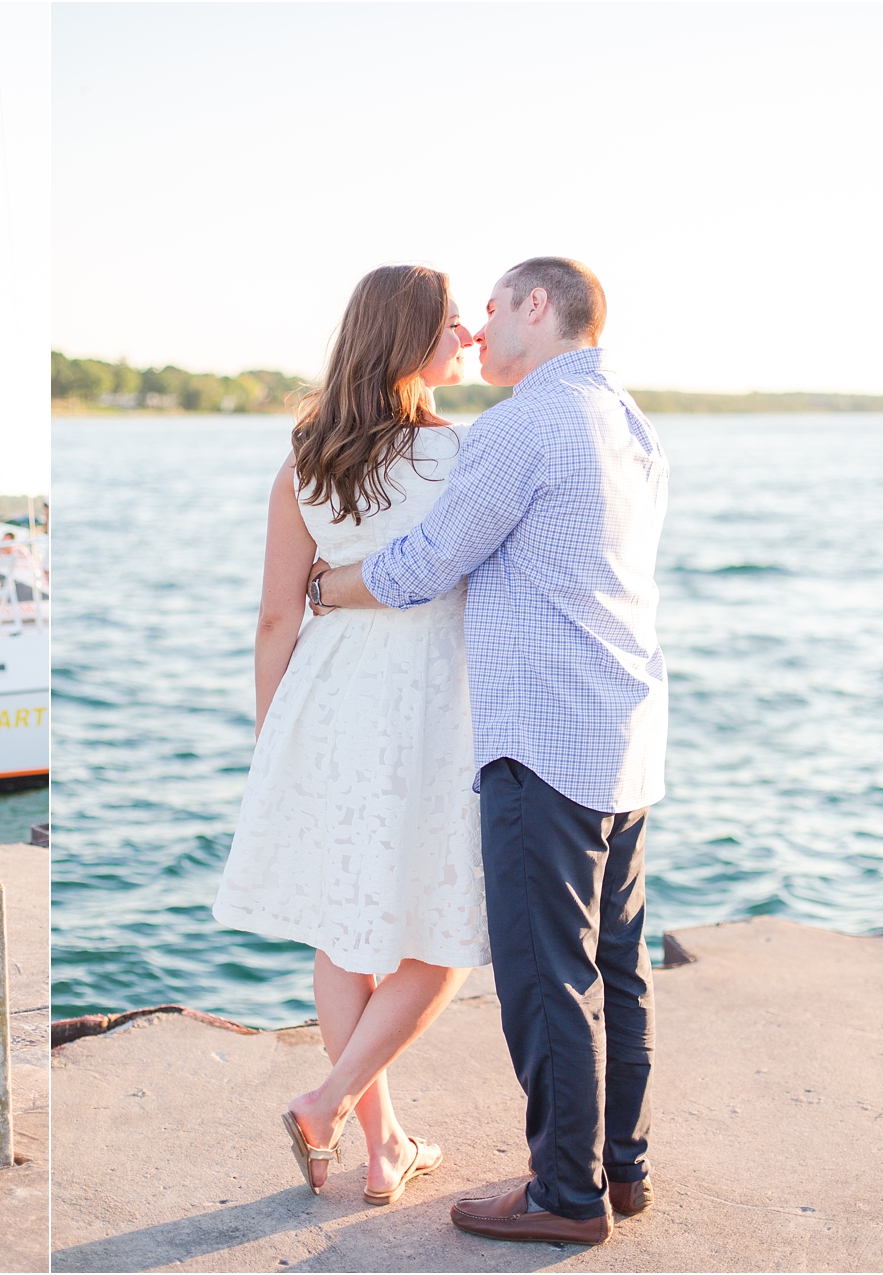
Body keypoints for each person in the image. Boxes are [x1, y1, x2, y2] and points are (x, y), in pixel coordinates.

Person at [309, 258, 668, 1245]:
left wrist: (325, 588)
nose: (479, 328)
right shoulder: (627, 423)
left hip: (540, 740)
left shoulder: (520, 426)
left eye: (497, 307)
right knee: (617, 969)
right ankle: (618, 1170)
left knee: (543, 976)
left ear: (538, 308)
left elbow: (428, 564)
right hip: (624, 732)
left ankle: (562, 1194)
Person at [212, 265, 484, 1206]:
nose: (470, 336)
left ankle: (381, 1145)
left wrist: (268, 736)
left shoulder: (305, 459)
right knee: (440, 935)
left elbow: (275, 618)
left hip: (327, 700)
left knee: (345, 930)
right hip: (430, 704)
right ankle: (335, 1108)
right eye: (453, 323)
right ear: (412, 339)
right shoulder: (469, 457)